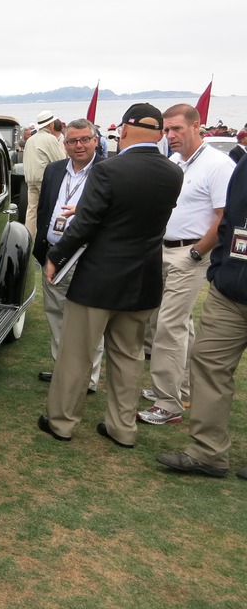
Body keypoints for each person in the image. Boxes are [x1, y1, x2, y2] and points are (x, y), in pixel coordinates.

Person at [38, 103, 182, 447]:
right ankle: (122, 427)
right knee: (129, 356)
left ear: (126, 132)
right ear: (160, 134)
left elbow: (85, 224)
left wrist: (55, 255)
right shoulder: (173, 173)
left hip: (99, 279)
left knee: (76, 353)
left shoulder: (109, 171)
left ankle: (61, 421)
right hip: (143, 278)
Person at [138, 104, 232, 425]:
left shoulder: (219, 165)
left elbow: (224, 219)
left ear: (197, 126)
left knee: (169, 326)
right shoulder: (175, 162)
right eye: (166, 130)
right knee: (177, 325)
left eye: (176, 129)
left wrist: (196, 253)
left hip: (190, 254)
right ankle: (183, 386)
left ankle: (168, 403)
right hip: (165, 250)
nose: (170, 135)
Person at [156, 156, 247, 480]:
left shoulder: (223, 163)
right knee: (208, 362)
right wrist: (220, 269)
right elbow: (228, 221)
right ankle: (207, 453)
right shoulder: (243, 165)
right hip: (230, 289)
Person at [32, 118, 104, 392]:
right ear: (64, 143)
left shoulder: (107, 171)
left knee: (88, 321)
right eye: (72, 140)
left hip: (87, 256)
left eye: (85, 139)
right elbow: (44, 208)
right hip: (53, 255)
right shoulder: (54, 170)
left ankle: (88, 378)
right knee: (56, 314)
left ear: (95, 140)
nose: (79, 145)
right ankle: (63, 370)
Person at [23, 110, 67, 234]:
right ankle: (46, 234)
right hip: (44, 179)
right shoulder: (50, 139)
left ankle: (29, 237)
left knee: (31, 210)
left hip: (30, 179)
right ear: (50, 124)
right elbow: (61, 159)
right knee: (48, 208)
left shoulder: (31, 140)